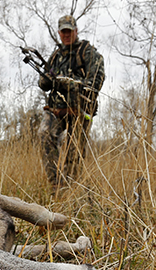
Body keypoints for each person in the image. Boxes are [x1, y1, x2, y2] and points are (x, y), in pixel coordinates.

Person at [37, 14, 105, 188]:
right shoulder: (56, 55)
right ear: (59, 33)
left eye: (69, 31)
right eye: (63, 32)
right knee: (44, 134)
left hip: (80, 111)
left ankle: (70, 190)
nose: (66, 35)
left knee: (74, 153)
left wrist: (71, 83)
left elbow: (96, 83)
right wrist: (46, 79)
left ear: (76, 31)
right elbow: (43, 84)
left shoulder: (88, 52)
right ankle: (55, 186)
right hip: (56, 109)